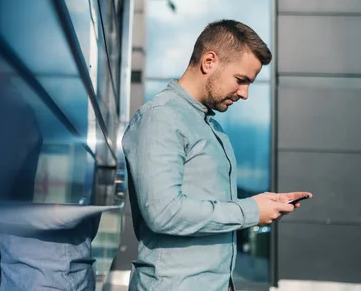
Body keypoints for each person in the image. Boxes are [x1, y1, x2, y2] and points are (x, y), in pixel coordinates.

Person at [121, 20, 312, 291]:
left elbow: (207, 203)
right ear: (209, 62)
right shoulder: (161, 118)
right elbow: (163, 212)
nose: (245, 94)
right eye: (241, 80)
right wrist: (250, 211)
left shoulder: (211, 126)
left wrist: (260, 202)